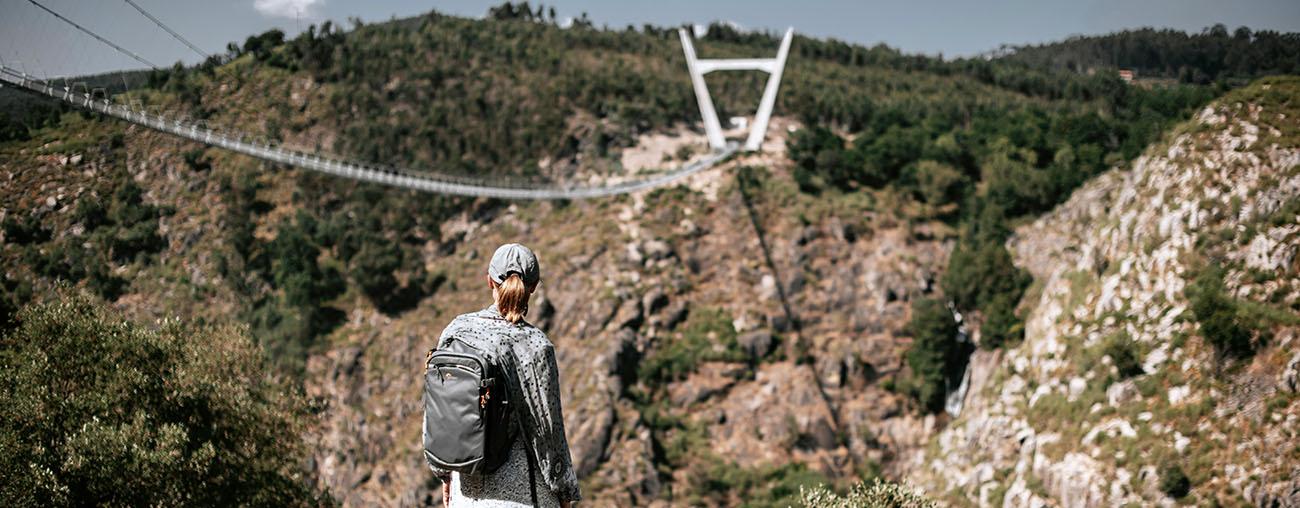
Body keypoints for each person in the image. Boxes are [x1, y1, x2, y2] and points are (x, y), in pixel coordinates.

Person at [431, 243, 581, 508]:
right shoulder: (535, 344)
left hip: (464, 490)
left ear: (489, 280)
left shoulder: (456, 331)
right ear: (533, 287)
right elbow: (548, 429)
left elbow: (439, 413)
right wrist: (565, 490)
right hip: (522, 496)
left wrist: (445, 476)